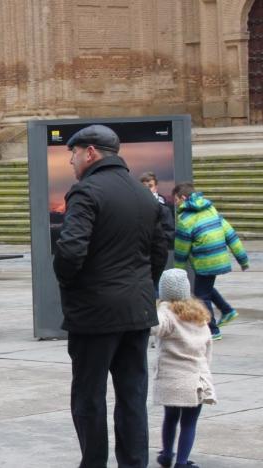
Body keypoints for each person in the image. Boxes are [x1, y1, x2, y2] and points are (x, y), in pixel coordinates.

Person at [52, 125, 166, 468]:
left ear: (90, 152)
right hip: (136, 311)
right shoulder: (143, 194)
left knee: (89, 396)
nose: (71, 161)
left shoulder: (86, 192)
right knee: (132, 395)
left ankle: (94, 463)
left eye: (73, 153)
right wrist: (142, 285)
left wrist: (71, 285)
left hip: (94, 313)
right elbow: (160, 250)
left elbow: (70, 251)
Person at [152, 269, 217, 468]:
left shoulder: (164, 312)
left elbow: (154, 327)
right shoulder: (199, 314)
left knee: (170, 418)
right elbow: (208, 348)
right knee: (189, 422)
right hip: (195, 377)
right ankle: (182, 462)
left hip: (171, 378)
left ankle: (166, 455)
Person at [172, 182, 250, 340]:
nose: (175, 203)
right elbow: (230, 233)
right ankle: (227, 311)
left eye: (176, 199)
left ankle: (212, 330)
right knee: (206, 287)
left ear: (183, 197)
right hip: (219, 258)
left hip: (205, 261)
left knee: (201, 294)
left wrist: (178, 271)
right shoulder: (210, 209)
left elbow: (181, 249)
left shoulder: (185, 218)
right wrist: (242, 259)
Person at [139, 172, 175, 289]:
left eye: (150, 186)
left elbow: (169, 233)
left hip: (156, 256)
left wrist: (158, 245)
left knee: (154, 288)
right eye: (144, 186)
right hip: (139, 255)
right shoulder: (135, 205)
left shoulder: (164, 209)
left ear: (156, 187)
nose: (147, 189)